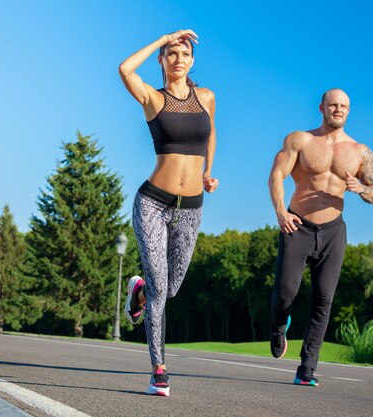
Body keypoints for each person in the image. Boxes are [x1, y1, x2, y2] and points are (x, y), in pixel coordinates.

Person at [118, 29, 218, 397]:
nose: (178, 59)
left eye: (184, 54)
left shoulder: (205, 97)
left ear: (192, 61)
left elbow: (210, 135)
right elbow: (125, 69)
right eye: (171, 54)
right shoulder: (153, 99)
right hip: (153, 202)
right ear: (162, 59)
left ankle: (137, 290)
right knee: (162, 289)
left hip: (191, 208)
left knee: (170, 288)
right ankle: (159, 370)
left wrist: (207, 172)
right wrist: (162, 38)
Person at [268, 88, 373, 386]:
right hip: (298, 226)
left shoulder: (360, 151)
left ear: (349, 110)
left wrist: (362, 189)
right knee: (285, 292)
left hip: (333, 230)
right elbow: (276, 175)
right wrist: (281, 212)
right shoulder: (300, 140)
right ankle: (279, 326)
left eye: (344, 106)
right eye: (333, 105)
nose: (338, 109)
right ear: (321, 108)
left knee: (324, 300)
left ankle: (306, 369)